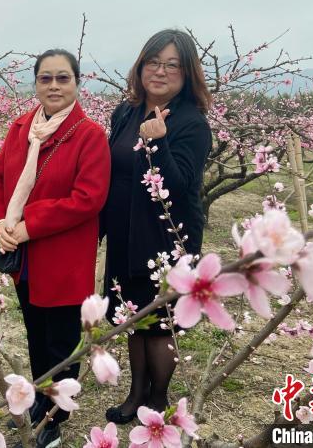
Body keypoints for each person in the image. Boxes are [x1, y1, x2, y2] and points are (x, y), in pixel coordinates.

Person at [0, 49, 110, 447]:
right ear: (36, 83)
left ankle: (56, 415)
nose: (53, 86)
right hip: (25, 260)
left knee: (60, 341)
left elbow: (88, 198)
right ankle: (39, 399)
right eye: (45, 78)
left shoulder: (89, 134)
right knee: (35, 334)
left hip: (63, 259)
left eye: (62, 78)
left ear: (76, 83)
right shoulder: (21, 127)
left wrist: (27, 226)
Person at [102, 29, 212, 422]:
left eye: (172, 65)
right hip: (124, 232)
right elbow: (112, 173)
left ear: (187, 75)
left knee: (161, 323)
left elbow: (181, 188)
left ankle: (158, 398)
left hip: (167, 236)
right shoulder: (125, 113)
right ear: (140, 66)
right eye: (153, 62)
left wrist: (159, 144)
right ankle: (135, 394)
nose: (160, 72)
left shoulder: (191, 123)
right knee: (133, 316)